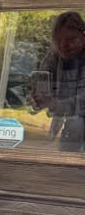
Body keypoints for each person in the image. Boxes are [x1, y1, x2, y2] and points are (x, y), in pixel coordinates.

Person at [30, 11, 85, 150]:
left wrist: (55, 104)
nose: (63, 45)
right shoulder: (54, 55)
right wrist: (36, 99)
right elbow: (40, 81)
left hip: (78, 124)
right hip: (66, 125)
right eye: (58, 39)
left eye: (71, 39)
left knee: (76, 125)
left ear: (83, 37)